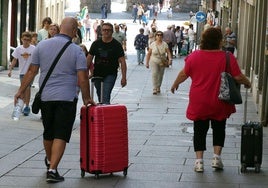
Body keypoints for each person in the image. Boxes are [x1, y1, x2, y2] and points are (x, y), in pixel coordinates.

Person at [13, 17, 95, 183]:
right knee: (61, 134)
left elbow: (32, 71)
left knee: (49, 132)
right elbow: (83, 77)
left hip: (46, 97)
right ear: (73, 32)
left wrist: (20, 91)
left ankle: (50, 161)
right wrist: (87, 98)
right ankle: (52, 169)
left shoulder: (42, 45)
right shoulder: (76, 50)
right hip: (66, 98)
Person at [170, 27, 251, 173]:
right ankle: (216, 158)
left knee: (199, 130)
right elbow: (238, 76)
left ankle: (199, 162)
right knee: (219, 128)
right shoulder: (227, 57)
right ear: (219, 41)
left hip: (199, 100)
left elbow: (183, 73)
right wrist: (248, 82)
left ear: (204, 40)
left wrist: (175, 83)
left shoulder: (194, 56)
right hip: (220, 100)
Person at [87, 22, 127, 104]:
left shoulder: (116, 45)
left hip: (111, 73)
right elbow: (89, 59)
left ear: (112, 32)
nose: (106, 32)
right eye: (104, 30)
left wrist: (124, 77)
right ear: (101, 31)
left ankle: (105, 113)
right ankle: (102, 111)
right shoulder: (96, 44)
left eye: (108, 30)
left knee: (105, 95)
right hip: (97, 73)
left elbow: (122, 61)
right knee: (100, 96)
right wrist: (84, 73)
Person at [8, 31, 35, 116]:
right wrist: (10, 70)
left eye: (27, 40)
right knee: (23, 90)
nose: (26, 41)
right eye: (24, 39)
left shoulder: (33, 49)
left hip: (30, 72)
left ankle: (27, 106)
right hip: (22, 72)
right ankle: (22, 105)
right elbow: (14, 59)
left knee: (27, 88)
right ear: (21, 39)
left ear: (30, 40)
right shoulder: (18, 49)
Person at [145, 30, 172, 95]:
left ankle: (158, 87)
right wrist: (147, 62)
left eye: (161, 35)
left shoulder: (165, 44)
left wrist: (170, 59)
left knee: (160, 75)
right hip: (154, 60)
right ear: (156, 36)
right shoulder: (152, 44)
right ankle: (154, 88)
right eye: (158, 35)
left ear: (162, 36)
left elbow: (168, 52)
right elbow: (149, 54)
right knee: (155, 73)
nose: (159, 36)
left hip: (162, 61)